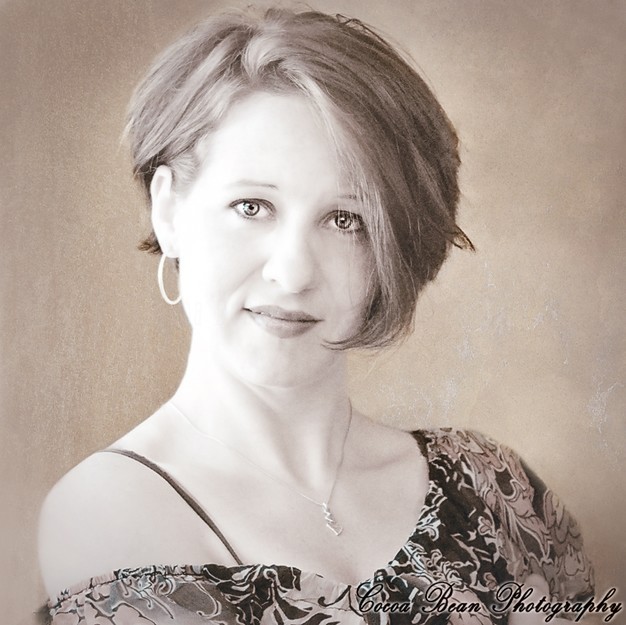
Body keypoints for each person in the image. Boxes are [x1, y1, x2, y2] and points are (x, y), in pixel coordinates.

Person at [37, 7, 595, 624]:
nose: (294, 271)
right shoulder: (109, 511)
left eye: (344, 219)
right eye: (252, 206)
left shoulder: (491, 488)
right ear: (169, 211)